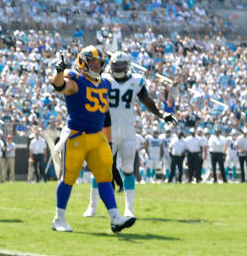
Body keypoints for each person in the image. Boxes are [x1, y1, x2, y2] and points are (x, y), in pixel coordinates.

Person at [50, 46, 135, 234]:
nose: (96, 65)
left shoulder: (105, 83)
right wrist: (58, 72)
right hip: (77, 136)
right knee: (69, 178)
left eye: (99, 63)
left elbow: (105, 114)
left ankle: (115, 218)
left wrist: (109, 139)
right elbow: (59, 85)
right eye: (93, 62)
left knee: (105, 177)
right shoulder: (75, 79)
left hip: (97, 137)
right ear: (83, 62)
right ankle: (59, 219)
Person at [82, 51, 175, 218]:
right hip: (107, 131)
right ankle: (92, 206)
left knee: (128, 169)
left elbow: (147, 101)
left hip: (127, 131)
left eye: (121, 65)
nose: (118, 68)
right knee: (100, 168)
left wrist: (161, 114)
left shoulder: (136, 81)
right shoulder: (104, 79)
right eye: (115, 65)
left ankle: (129, 209)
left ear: (128, 66)